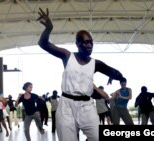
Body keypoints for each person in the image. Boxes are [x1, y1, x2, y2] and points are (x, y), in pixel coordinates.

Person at [37, 8, 124, 141]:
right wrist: (49, 28)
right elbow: (43, 44)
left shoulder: (95, 63)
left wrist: (117, 76)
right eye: (85, 42)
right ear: (77, 44)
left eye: (91, 42)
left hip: (87, 107)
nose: (89, 45)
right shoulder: (67, 56)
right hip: (66, 107)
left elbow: (115, 72)